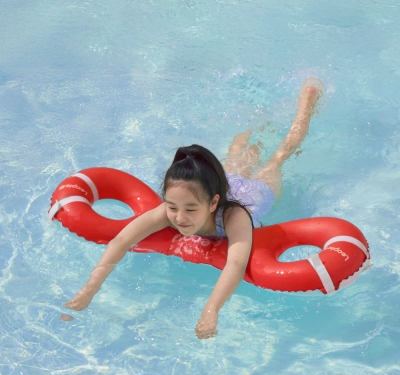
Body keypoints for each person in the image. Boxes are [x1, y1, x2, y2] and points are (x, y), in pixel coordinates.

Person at [64, 78, 324, 339]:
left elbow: (235, 264)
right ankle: (257, 119)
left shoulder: (234, 216)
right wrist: (90, 289)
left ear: (213, 203)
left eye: (190, 210)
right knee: (238, 153)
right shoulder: (173, 209)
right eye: (172, 206)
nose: (179, 218)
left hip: (255, 192)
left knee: (278, 157)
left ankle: (307, 102)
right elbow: (121, 241)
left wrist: (211, 310)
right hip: (224, 181)